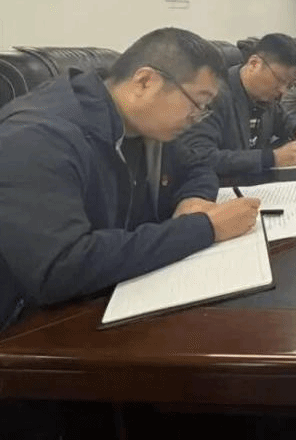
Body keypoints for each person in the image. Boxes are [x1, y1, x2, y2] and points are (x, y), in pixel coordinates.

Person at [0, 28, 262, 331]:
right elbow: (61, 268)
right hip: (30, 328)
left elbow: (198, 166)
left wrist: (194, 200)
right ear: (145, 81)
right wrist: (204, 228)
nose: (197, 117)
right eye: (197, 103)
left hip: (112, 296)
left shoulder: (142, 123)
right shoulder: (37, 137)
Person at [181, 33, 296, 176]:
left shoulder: (265, 96)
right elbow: (200, 157)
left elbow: (283, 120)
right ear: (254, 64)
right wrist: (271, 158)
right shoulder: (212, 95)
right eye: (280, 80)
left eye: (289, 85)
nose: (283, 91)